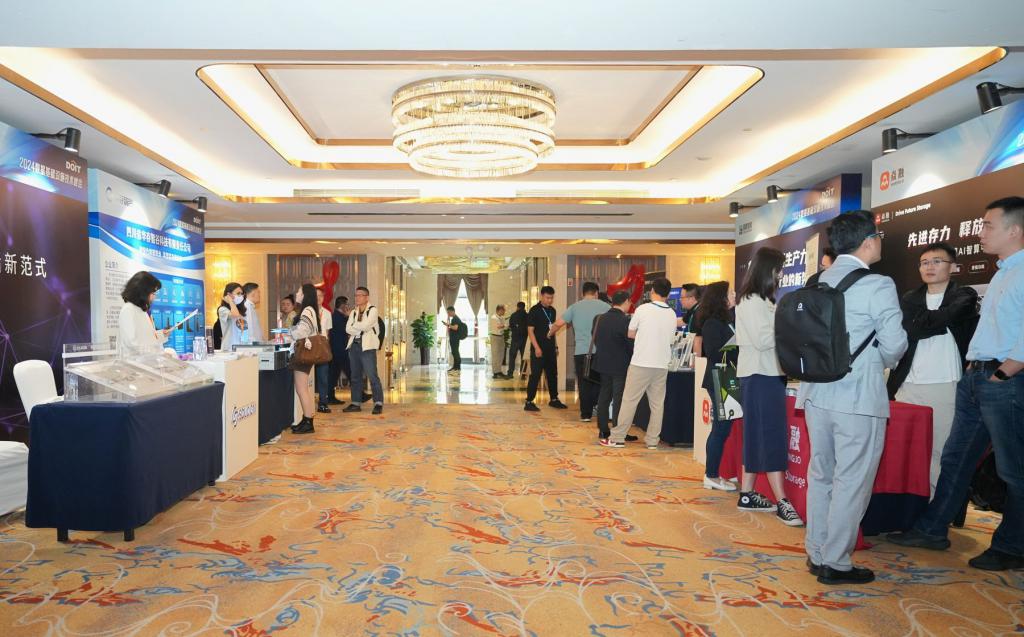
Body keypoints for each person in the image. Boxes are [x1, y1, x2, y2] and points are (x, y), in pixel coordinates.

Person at [889, 197, 1024, 571]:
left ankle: (1012, 546)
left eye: (988, 225)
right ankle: (932, 528)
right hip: (976, 378)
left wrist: (1004, 372)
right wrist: (975, 367)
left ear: (1015, 230)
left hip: (1004, 381)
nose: (981, 232)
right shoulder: (1003, 273)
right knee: (955, 458)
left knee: (1013, 469)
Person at [797, 210, 907, 585]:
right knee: (852, 480)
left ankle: (816, 552)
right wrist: (881, 362)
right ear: (868, 242)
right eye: (878, 237)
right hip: (858, 396)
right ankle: (836, 562)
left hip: (815, 393)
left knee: (821, 475)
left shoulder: (818, 280)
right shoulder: (878, 284)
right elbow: (895, 344)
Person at [885, 242, 979, 495]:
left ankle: (934, 505)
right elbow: (913, 328)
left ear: (953, 267)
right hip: (907, 384)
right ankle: (907, 503)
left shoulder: (964, 295)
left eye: (937, 262)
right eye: (925, 263)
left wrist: (926, 323)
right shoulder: (909, 298)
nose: (930, 267)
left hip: (945, 384)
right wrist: (938, 321)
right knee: (904, 449)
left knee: (940, 449)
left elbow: (924, 324)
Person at [734, 248, 803, 525]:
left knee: (756, 434)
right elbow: (763, 340)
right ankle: (782, 500)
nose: (781, 274)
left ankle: (747, 493)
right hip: (760, 375)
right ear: (768, 270)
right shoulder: (752, 301)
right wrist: (789, 326)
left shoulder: (763, 300)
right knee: (771, 436)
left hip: (765, 374)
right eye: (778, 269)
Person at [604, 277, 679, 449]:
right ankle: (652, 440)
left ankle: (618, 437)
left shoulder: (643, 309)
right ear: (668, 294)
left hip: (641, 362)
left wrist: (645, 336)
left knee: (629, 401)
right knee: (657, 404)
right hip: (661, 364)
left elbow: (630, 333)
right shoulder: (672, 313)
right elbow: (670, 339)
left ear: (652, 291)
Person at [693, 282, 740, 483]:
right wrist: (738, 347)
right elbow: (714, 352)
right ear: (720, 298)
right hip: (720, 378)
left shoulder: (728, 319)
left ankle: (716, 473)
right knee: (720, 429)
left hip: (727, 377)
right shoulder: (712, 323)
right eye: (730, 292)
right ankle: (711, 474)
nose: (734, 294)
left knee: (724, 428)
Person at [549, 282, 610, 422]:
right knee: (599, 381)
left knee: (583, 383)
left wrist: (550, 333)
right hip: (600, 352)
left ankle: (585, 414)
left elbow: (558, 324)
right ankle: (596, 406)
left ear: (582, 293)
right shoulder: (605, 307)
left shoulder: (575, 307)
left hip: (581, 352)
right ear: (596, 293)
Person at [592, 290, 638, 443]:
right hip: (620, 365)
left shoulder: (599, 318)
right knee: (619, 399)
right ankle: (619, 431)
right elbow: (630, 343)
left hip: (602, 363)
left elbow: (595, 338)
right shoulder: (625, 321)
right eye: (630, 302)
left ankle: (603, 430)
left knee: (604, 396)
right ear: (625, 301)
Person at [524, 286, 568, 411]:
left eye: (551, 298)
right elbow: (530, 331)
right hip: (538, 349)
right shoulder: (534, 310)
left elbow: (553, 330)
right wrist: (537, 348)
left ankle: (554, 399)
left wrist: (555, 346)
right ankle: (529, 401)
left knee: (552, 374)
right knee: (536, 375)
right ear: (541, 296)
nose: (550, 300)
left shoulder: (552, 311)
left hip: (550, 348)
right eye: (548, 298)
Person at [343, 287, 384, 415]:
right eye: (356, 295)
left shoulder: (373, 310)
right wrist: (358, 328)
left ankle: (378, 403)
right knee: (355, 376)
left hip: (367, 347)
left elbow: (366, 326)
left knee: (372, 376)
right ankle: (356, 403)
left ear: (367, 297)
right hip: (354, 346)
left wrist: (355, 326)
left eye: (360, 295)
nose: (357, 298)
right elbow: (347, 329)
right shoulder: (354, 312)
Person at [288, 283, 320, 435]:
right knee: (303, 389)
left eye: (299, 291)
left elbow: (302, 331)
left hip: (303, 353)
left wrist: (289, 332)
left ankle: (308, 422)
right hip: (305, 352)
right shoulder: (311, 310)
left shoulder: (307, 310)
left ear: (305, 295)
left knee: (302, 390)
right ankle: (306, 419)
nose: (297, 293)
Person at [117, 271, 170, 356]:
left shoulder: (142, 310)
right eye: (153, 293)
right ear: (143, 292)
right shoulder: (128, 310)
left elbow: (146, 338)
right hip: (134, 362)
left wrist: (161, 335)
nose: (155, 297)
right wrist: (159, 354)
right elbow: (133, 344)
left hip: (146, 361)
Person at [327, 295, 350, 405]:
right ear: (343, 305)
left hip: (336, 350)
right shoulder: (338, 317)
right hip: (339, 350)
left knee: (333, 375)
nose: (348, 307)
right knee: (350, 372)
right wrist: (348, 317)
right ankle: (360, 394)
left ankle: (330, 397)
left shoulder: (336, 316)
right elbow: (347, 330)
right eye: (347, 304)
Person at [314, 287, 334, 413]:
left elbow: (327, 332)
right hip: (309, 346)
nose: (318, 298)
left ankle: (323, 403)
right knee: (308, 377)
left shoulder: (327, 313)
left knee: (323, 376)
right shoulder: (307, 311)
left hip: (322, 346)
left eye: (321, 296)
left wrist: (326, 347)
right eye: (316, 296)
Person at [216, 282, 246, 351]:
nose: (241, 296)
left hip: (241, 348)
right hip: (229, 348)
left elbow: (244, 331)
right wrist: (230, 301)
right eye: (238, 293)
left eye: (242, 293)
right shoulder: (222, 309)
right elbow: (235, 315)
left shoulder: (240, 311)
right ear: (229, 295)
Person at [507, 301, 529, 379]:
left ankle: (510, 373)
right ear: (524, 307)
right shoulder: (527, 316)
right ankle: (522, 374)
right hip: (524, 339)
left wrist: (515, 329)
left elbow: (511, 326)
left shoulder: (513, 315)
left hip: (515, 339)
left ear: (518, 307)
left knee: (512, 356)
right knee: (524, 356)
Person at [444, 307, 466, 373]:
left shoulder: (456, 318)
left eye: (448, 312)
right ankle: (455, 367)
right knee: (454, 352)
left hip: (455, 338)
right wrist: (448, 325)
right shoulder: (454, 318)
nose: (448, 314)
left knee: (455, 352)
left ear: (452, 311)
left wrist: (448, 325)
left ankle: (457, 367)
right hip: (454, 338)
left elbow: (455, 328)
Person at [488, 305, 508, 379]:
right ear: (499, 310)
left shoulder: (501, 317)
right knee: (495, 355)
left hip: (501, 336)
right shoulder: (494, 318)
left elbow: (505, 327)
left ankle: (499, 371)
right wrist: (504, 325)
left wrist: (503, 325)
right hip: (495, 337)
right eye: (503, 310)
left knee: (501, 355)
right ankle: (495, 372)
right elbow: (499, 326)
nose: (504, 312)